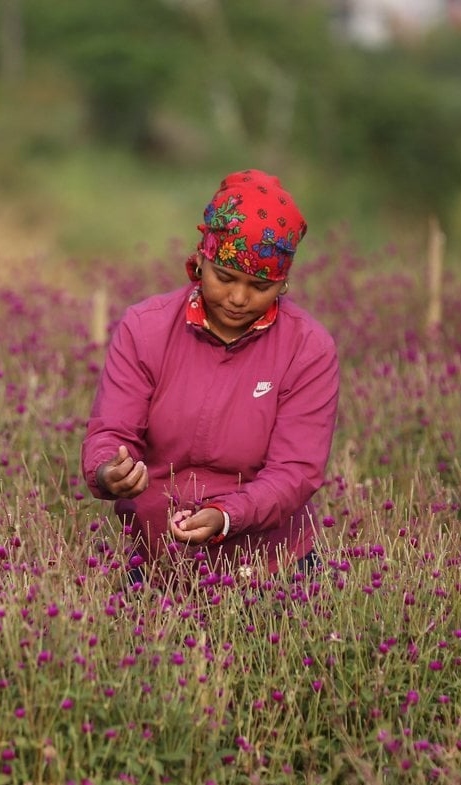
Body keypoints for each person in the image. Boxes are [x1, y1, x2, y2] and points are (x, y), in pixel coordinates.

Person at [82, 169, 340, 584]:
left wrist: (226, 516)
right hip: (152, 562)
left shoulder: (308, 349)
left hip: (271, 567)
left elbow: (295, 471)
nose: (239, 298)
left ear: (283, 283)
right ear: (201, 261)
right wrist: (108, 471)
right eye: (225, 277)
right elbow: (112, 431)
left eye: (259, 286)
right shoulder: (145, 328)